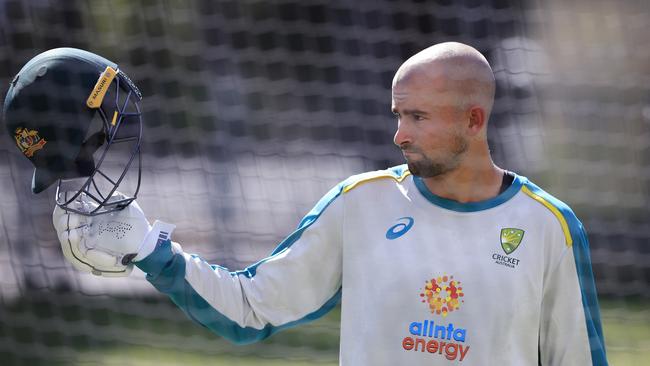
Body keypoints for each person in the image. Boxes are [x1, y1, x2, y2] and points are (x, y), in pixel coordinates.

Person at [48, 42, 607, 365]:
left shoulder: (548, 226)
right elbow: (251, 308)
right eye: (397, 115)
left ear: (473, 120)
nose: (400, 135)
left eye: (417, 117)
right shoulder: (358, 205)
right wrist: (149, 250)